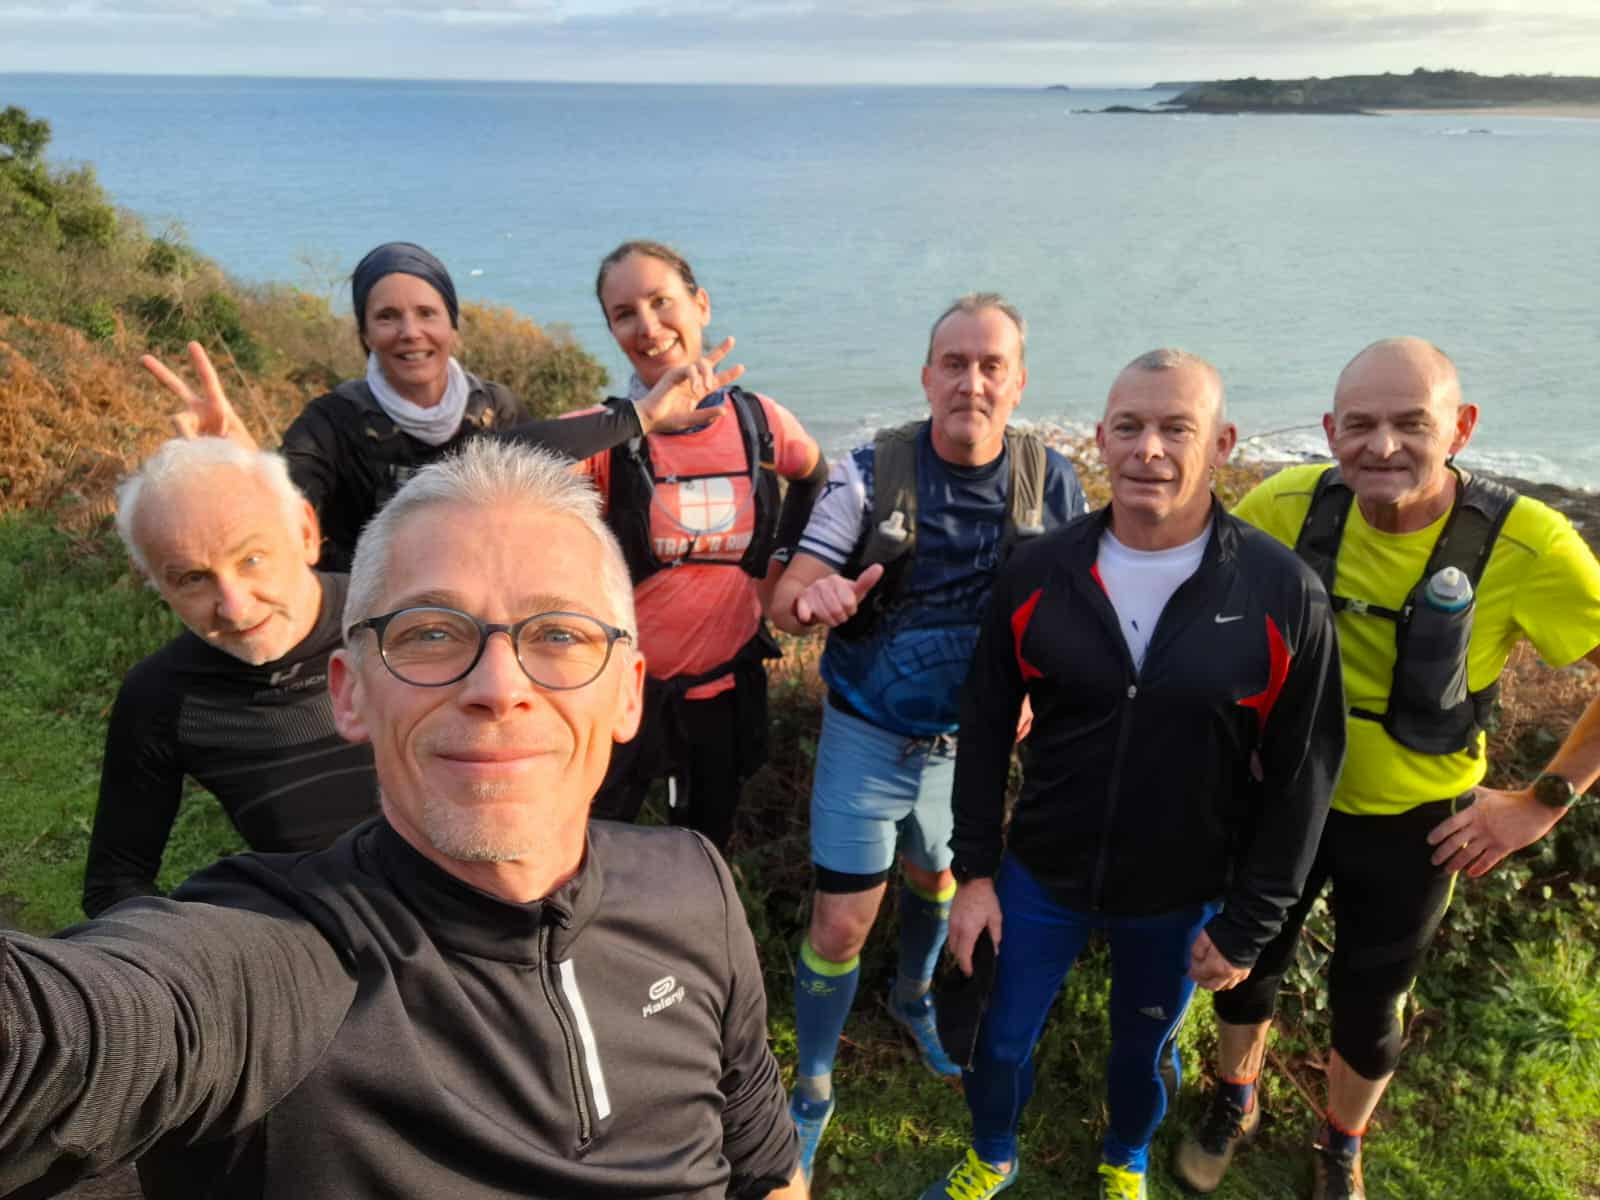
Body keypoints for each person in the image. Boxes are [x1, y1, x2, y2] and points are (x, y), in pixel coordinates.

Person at [0, 440, 805, 1200]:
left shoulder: (694, 888)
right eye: (431, 633)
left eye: (559, 633)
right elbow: (64, 1037)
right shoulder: (276, 969)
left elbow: (765, 1169)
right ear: (349, 692)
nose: (499, 686)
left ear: (628, 692)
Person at [1174, 337, 1600, 1200]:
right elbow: (1194, 610)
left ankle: (1341, 1144)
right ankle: (1234, 1097)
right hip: (1284, 799)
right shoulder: (1284, 506)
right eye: (1360, 424)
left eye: (1412, 423)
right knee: (1246, 963)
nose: (1383, 445)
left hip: (1419, 822)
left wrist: (1543, 801)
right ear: (1331, 431)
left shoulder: (1528, 544)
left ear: (1461, 428)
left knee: (1371, 1004)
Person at [919, 349, 1345, 1200]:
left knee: (1142, 1048)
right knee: (999, 1040)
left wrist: (1251, 921)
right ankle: (993, 1153)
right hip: (1042, 871)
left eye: (1176, 428)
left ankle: (1126, 1157)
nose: (1149, 449)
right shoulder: (1038, 573)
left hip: (1181, 886)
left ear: (1221, 443)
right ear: (1101, 440)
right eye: (1129, 427)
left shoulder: (1281, 592)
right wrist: (975, 873)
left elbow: (1304, 775)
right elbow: (986, 725)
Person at [766, 293, 1086, 1179]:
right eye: (955, 364)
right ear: (927, 377)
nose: (971, 382)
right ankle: (813, 1085)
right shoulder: (871, 473)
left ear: (1018, 383)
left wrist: (1046, 684)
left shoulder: (1052, 484)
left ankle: (913, 999)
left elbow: (1082, 611)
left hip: (969, 749)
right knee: (840, 923)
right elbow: (786, 600)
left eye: (991, 366)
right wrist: (813, 600)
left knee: (938, 881)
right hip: (867, 735)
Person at [145, 241, 739, 571]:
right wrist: (239, 461)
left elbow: (535, 498)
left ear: (452, 326)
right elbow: (282, 519)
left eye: (427, 314)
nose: (410, 332)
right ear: (365, 334)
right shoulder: (332, 422)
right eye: (387, 317)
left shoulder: (495, 408)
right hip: (367, 625)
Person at [578, 240, 827, 850]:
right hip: (624, 694)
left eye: (662, 301)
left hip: (723, 692)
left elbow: (814, 478)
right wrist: (637, 419)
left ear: (702, 305)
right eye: (625, 314)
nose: (648, 326)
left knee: (704, 848)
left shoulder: (760, 423)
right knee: (593, 845)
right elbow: (502, 466)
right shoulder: (607, 437)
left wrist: (784, 566)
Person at [85, 436, 377, 917]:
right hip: (329, 945)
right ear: (156, 583)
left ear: (306, 533)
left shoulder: (402, 622)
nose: (235, 608)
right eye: (193, 579)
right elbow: (114, 881)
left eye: (251, 560)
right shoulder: (164, 698)